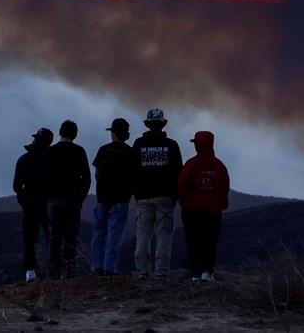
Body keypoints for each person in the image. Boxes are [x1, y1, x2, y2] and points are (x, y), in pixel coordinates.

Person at [131, 108, 182, 279]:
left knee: (143, 235)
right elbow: (178, 172)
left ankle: (143, 271)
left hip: (144, 197)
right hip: (165, 197)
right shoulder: (172, 145)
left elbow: (133, 170)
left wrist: (136, 194)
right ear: (162, 125)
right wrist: (174, 196)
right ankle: (161, 272)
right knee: (164, 236)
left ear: (148, 125)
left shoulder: (138, 144)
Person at [177, 131, 230, 282]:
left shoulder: (191, 164)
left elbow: (181, 185)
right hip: (213, 211)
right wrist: (221, 204)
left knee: (193, 241)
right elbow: (224, 186)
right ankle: (207, 272)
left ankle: (195, 273)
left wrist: (184, 203)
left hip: (191, 212)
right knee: (210, 241)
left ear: (198, 145)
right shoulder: (218, 165)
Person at [44, 119, 91, 278]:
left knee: (54, 237)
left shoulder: (50, 152)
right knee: (71, 237)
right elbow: (87, 178)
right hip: (73, 201)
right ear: (75, 134)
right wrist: (81, 198)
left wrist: (47, 198)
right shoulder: (79, 151)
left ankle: (53, 272)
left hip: (54, 201)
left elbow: (44, 178)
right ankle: (70, 271)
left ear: (60, 133)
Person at [90, 117, 137, 276]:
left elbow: (97, 174)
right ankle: (109, 268)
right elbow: (133, 177)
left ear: (113, 133)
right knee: (114, 234)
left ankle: (97, 266)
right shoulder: (131, 152)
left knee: (98, 233)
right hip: (121, 199)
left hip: (103, 197)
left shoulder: (104, 150)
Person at [13, 127, 53, 282]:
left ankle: (30, 272)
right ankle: (57, 269)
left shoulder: (23, 159)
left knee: (30, 238)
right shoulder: (50, 160)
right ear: (49, 142)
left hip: (30, 204)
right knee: (54, 237)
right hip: (49, 203)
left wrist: (24, 200)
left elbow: (16, 186)